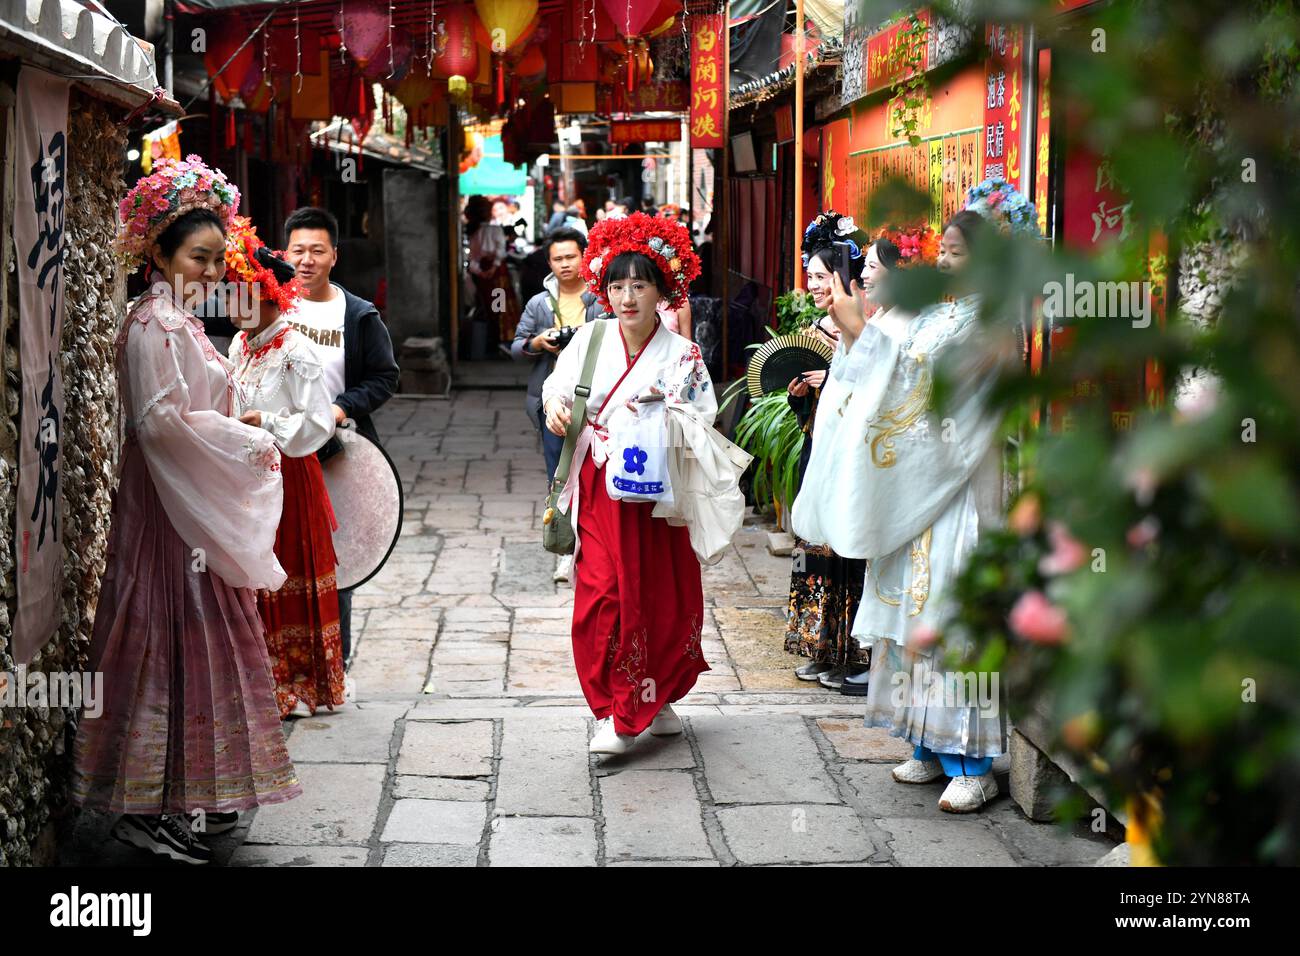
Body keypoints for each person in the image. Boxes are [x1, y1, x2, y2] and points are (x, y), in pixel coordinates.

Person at [72, 156, 300, 865]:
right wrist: (248, 438)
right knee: (167, 644)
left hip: (187, 496)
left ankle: (178, 800)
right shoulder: (155, 325)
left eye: (213, 257)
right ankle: (146, 807)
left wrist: (239, 422)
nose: (209, 270)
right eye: (197, 257)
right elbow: (164, 423)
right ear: (158, 253)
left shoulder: (177, 320)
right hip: (170, 503)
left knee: (193, 644)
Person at [791, 207, 1010, 813]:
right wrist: (858, 335)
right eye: (942, 250)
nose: (944, 261)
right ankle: (927, 744)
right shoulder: (936, 313)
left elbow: (934, 391)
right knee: (905, 614)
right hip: (911, 485)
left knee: (948, 614)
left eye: (958, 252)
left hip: (956, 484)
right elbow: (885, 367)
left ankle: (974, 761)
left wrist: (861, 331)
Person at [541, 212, 714, 757]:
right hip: (598, 487)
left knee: (660, 595)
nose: (627, 296)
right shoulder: (590, 338)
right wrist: (555, 407)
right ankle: (619, 708)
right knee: (603, 596)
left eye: (640, 284)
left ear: (663, 290)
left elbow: (702, 419)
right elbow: (557, 386)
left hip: (656, 497)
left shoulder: (682, 355)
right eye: (617, 285)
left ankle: (650, 698)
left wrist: (665, 416)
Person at [225, 217, 345, 720]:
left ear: (269, 297)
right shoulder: (240, 346)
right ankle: (266, 678)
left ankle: (299, 682)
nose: (231, 306)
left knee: (288, 571)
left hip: (290, 475)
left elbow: (318, 423)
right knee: (256, 573)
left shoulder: (298, 350)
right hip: (250, 477)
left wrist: (267, 422)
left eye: (241, 296)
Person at [283, 206, 400, 681]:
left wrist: (341, 407)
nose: (306, 260)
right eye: (297, 251)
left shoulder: (358, 314)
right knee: (279, 555)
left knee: (336, 557)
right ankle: (286, 668)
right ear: (282, 253)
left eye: (316, 250)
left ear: (334, 255)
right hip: (276, 452)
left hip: (338, 451)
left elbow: (385, 376)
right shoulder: (269, 307)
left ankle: (335, 668)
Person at [783, 214, 892, 693]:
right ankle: (820, 647)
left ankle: (852, 653)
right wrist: (802, 393)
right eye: (809, 278)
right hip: (821, 447)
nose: (814, 286)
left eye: (822, 277)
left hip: (857, 456)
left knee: (849, 555)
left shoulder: (869, 327)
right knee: (817, 552)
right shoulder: (819, 327)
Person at [511, 227, 609, 583]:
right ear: (549, 262)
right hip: (551, 403)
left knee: (598, 476)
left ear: (584, 256)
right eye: (558, 258)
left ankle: (597, 546)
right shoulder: (539, 303)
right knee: (558, 475)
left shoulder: (601, 299)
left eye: (571, 256)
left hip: (599, 402)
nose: (565, 264)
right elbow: (516, 346)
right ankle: (564, 548)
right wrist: (538, 342)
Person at [464, 195, 521, 342]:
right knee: (500, 306)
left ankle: (490, 339)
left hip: (482, 276)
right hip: (497, 275)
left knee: (485, 305)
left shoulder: (473, 233)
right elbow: (501, 251)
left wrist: (481, 272)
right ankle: (502, 337)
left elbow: (473, 260)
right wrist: (493, 268)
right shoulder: (495, 230)